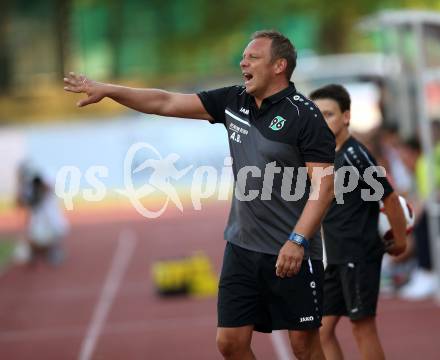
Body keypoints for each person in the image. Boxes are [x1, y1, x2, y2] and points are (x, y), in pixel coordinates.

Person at [64, 30, 335, 360]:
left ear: (279, 66)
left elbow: (324, 188)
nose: (242, 61)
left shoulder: (305, 116)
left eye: (253, 57)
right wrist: (109, 90)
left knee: (304, 347)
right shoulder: (234, 101)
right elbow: (166, 101)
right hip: (242, 246)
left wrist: (298, 240)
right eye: (243, 56)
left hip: (293, 249)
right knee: (230, 343)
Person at [310, 84, 407, 360]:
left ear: (346, 117)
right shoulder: (327, 157)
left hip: (358, 254)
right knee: (321, 331)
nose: (323, 122)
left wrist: (400, 240)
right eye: (317, 116)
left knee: (362, 328)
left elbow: (389, 198)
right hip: (334, 256)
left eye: (329, 114)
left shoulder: (356, 156)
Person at [16, 160, 69, 266]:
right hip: (39, 221)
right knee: (31, 243)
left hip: (51, 220)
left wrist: (36, 193)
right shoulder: (28, 187)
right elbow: (20, 202)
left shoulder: (44, 180)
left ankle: (51, 250)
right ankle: (39, 252)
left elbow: (47, 188)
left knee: (51, 234)